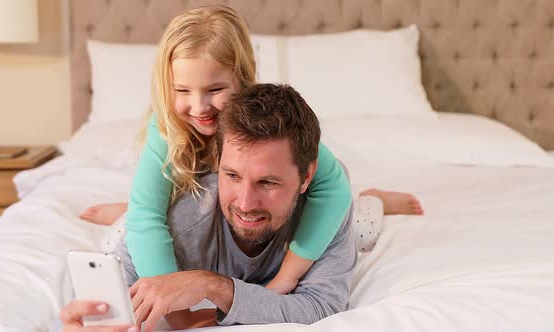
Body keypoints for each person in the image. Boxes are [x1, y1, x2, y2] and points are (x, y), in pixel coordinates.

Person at [78, 4, 423, 295]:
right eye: (182, 90)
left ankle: (374, 199)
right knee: (127, 233)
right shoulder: (166, 126)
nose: (199, 107)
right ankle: (126, 207)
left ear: (242, 80)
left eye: (214, 89)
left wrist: (286, 277)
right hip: (198, 201)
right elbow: (146, 218)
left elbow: (333, 187)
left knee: (356, 229)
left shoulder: (267, 120)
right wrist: (171, 290)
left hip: (275, 208)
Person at [62, 83, 358, 331]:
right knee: (124, 226)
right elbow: (114, 295)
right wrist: (92, 319)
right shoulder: (183, 218)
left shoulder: (329, 206)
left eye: (267, 182)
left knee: (366, 227)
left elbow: (320, 308)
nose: (245, 203)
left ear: (307, 176)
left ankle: (376, 199)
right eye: (232, 175)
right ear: (218, 164)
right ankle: (122, 209)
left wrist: (212, 286)